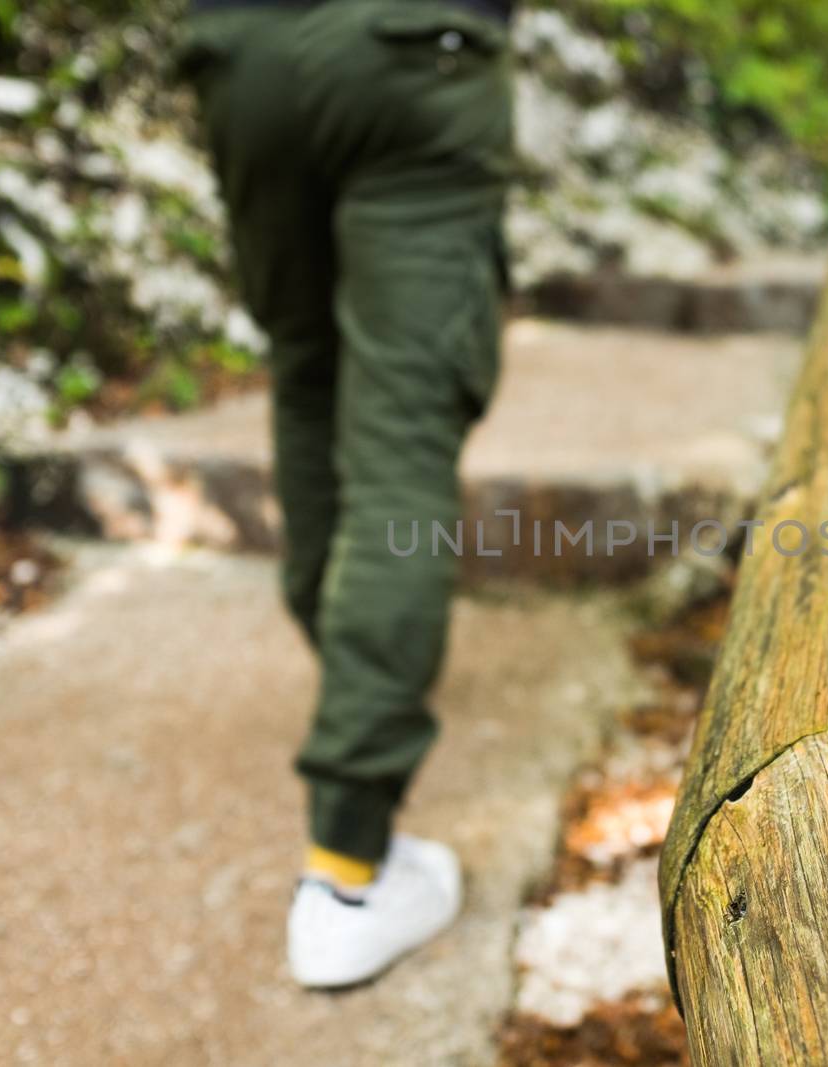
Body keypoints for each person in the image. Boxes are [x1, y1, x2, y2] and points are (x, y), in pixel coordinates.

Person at [176, 0, 514, 988]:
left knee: (308, 375)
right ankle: (349, 871)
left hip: (242, 50)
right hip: (414, 46)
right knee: (400, 434)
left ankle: (356, 704)